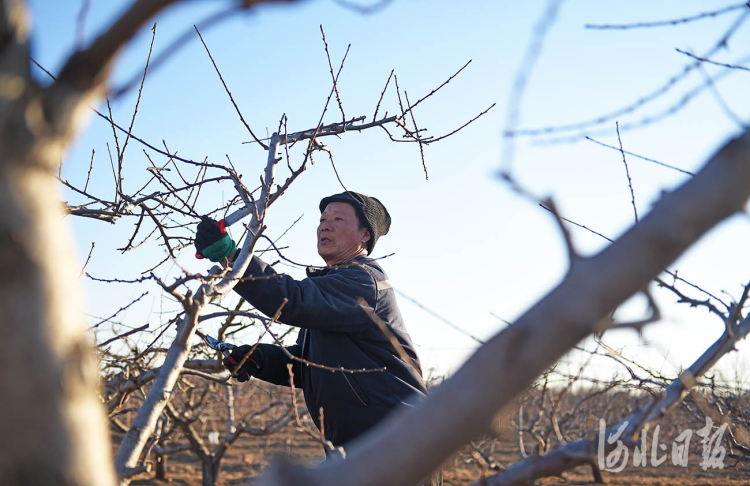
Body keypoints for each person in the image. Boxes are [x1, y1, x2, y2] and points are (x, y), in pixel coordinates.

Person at [194, 191, 428, 453]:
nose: (325, 225)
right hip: (359, 448)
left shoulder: (364, 281)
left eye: (338, 219)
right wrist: (260, 358)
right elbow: (311, 366)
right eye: (322, 219)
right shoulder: (332, 286)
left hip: (401, 442)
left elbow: (291, 301)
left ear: (365, 235)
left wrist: (232, 257)